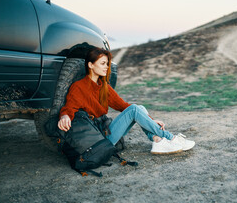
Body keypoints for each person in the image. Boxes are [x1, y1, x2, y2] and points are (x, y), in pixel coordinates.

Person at [58, 47, 195, 154]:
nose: (107, 67)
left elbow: (123, 106)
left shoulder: (104, 86)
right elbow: (70, 107)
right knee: (135, 109)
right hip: (98, 138)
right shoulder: (79, 87)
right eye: (103, 63)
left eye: (107, 63)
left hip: (106, 130)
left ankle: (158, 141)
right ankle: (171, 138)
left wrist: (150, 119)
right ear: (90, 65)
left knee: (138, 108)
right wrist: (65, 116)